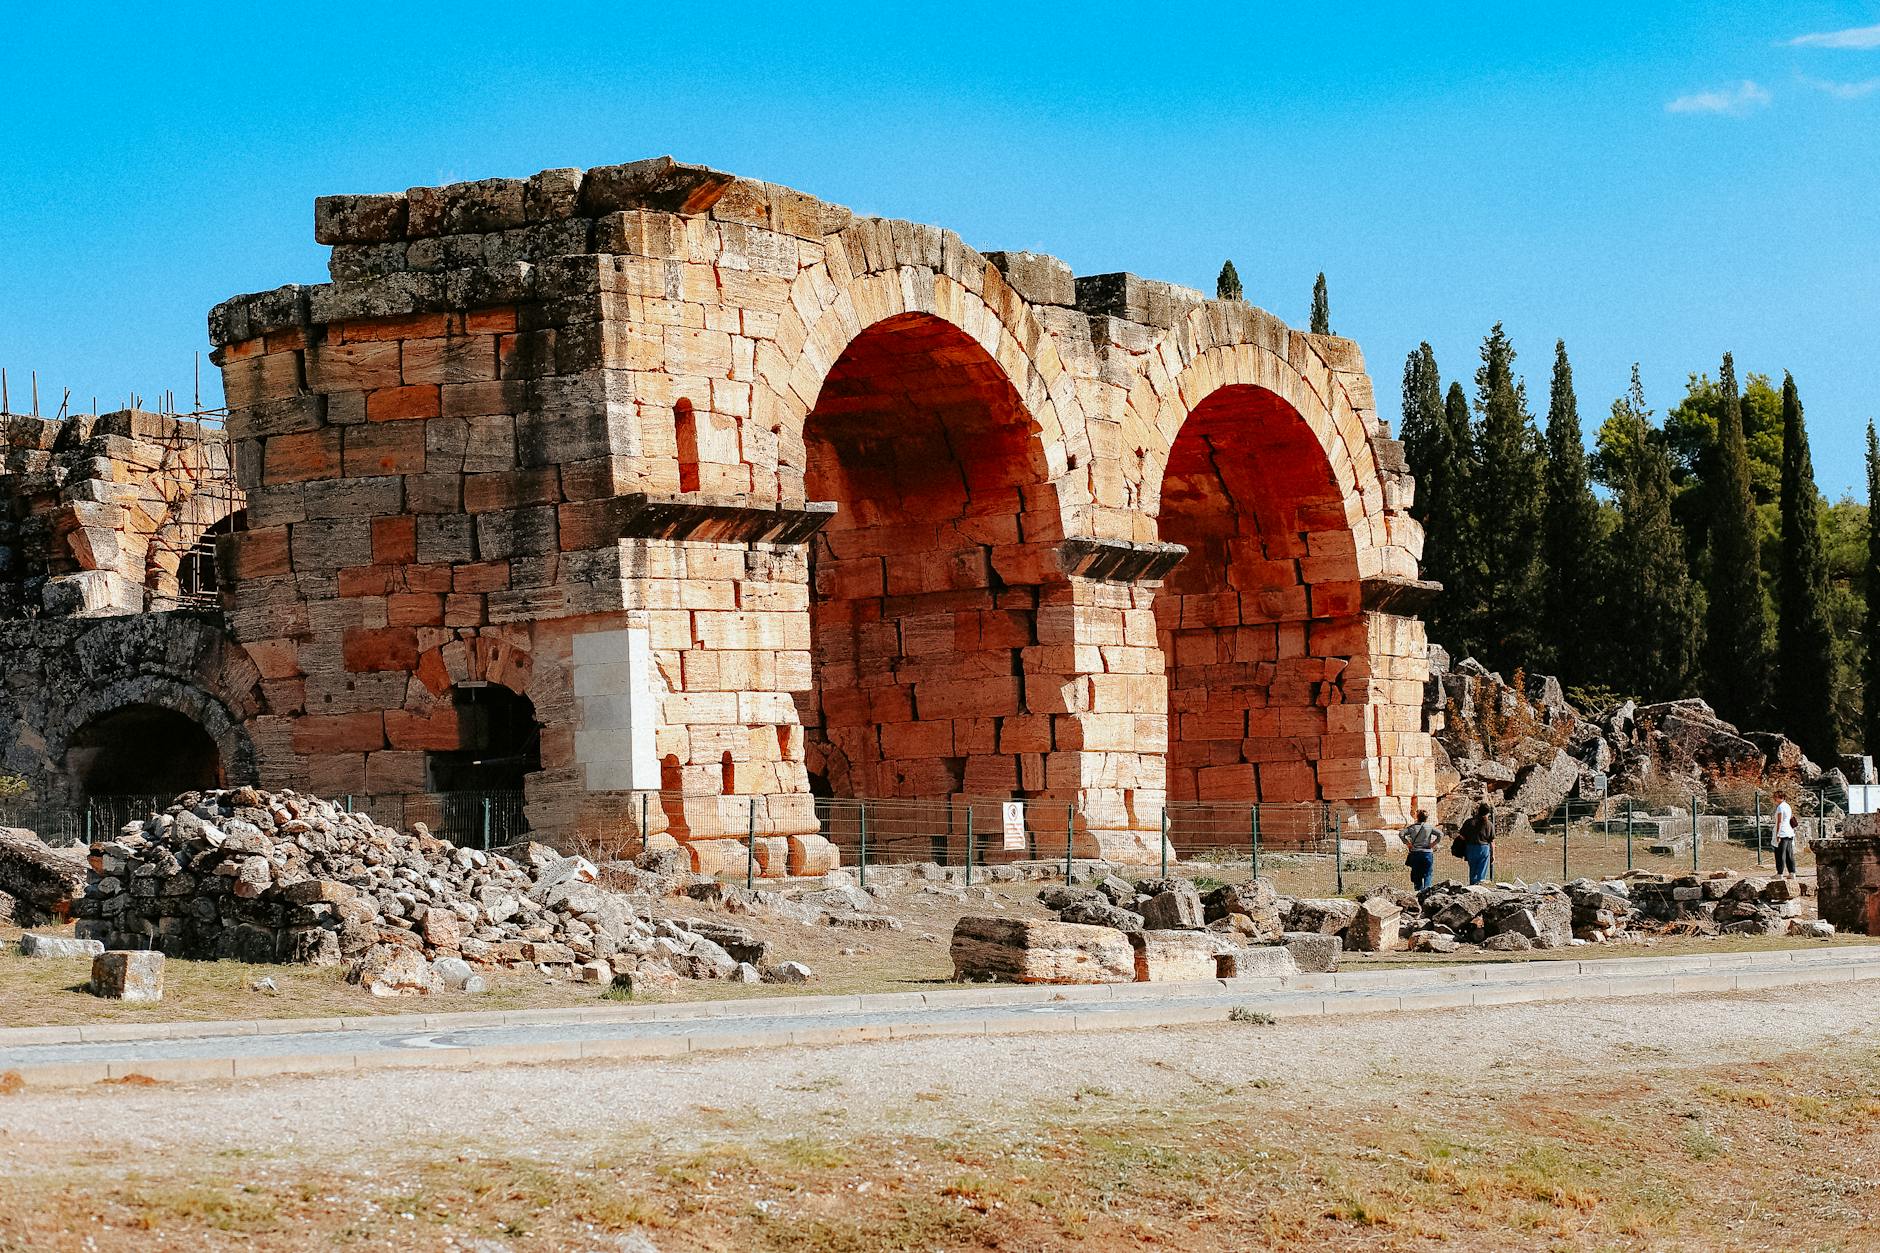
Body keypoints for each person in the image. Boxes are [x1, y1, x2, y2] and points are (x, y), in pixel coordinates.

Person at [1402, 809, 1440, 891]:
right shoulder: (1429, 827)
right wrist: (1433, 844)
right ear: (1426, 818)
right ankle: (1427, 890)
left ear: (1417, 817)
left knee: (1416, 874)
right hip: (1427, 853)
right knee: (1428, 873)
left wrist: (1408, 844)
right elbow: (1440, 834)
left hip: (1415, 853)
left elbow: (1401, 834)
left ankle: (1418, 892)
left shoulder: (1412, 828)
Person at [1459, 802, 1494, 885]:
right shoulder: (1489, 824)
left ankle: (1472, 886)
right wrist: (1493, 854)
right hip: (1483, 848)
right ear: (1487, 813)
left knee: (1473, 870)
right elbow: (1492, 841)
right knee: (1482, 870)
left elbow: (1462, 836)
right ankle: (1480, 885)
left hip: (1471, 847)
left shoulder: (1469, 822)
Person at [1772, 790, 1797, 878]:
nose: (1774, 799)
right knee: (1789, 853)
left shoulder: (1780, 808)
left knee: (1780, 854)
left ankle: (1780, 873)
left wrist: (1778, 834)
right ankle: (1792, 872)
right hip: (1789, 832)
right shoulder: (1788, 806)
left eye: (1776, 797)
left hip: (1782, 832)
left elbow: (1779, 822)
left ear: (1780, 797)